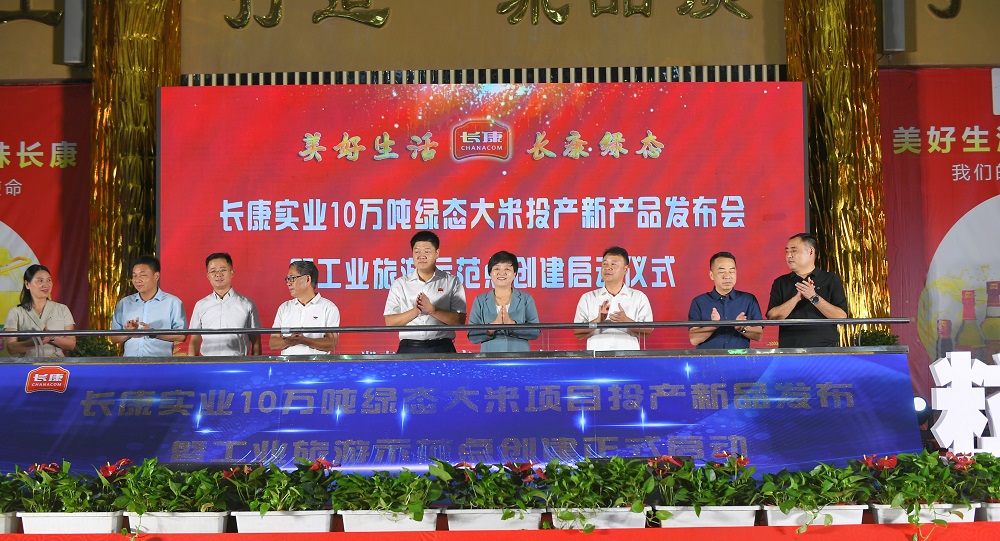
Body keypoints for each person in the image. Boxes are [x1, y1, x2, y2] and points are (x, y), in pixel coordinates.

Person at [384, 231, 467, 354]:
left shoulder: (451, 281)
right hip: (409, 348)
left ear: (437, 253)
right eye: (417, 252)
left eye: (427, 251)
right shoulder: (400, 284)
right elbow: (390, 322)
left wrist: (433, 310)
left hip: (442, 348)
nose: (421, 256)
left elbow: (460, 321)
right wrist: (416, 311)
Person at [766, 233, 849, 348]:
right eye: (787, 251)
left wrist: (813, 297)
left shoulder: (830, 279)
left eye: (794, 251)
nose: (789, 255)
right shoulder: (781, 282)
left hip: (825, 350)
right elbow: (772, 317)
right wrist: (796, 298)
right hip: (789, 350)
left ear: (810, 252)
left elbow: (841, 317)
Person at [574, 246, 653, 351]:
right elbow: (578, 333)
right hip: (597, 358)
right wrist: (598, 321)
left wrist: (626, 322)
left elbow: (647, 332)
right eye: (605, 264)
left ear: (625, 269)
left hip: (628, 357)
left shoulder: (639, 297)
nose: (608, 268)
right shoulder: (588, 298)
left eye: (613, 264)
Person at [110, 255, 187, 356]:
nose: (137, 280)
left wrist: (153, 333)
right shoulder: (125, 303)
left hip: (159, 363)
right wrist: (129, 333)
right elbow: (113, 338)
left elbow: (181, 336)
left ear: (156, 276)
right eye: (134, 276)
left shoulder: (172, 302)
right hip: (130, 362)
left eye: (142, 275)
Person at [188, 253, 262, 356]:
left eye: (223, 270)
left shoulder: (247, 305)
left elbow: (256, 341)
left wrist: (256, 364)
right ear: (208, 276)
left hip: (238, 362)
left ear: (232, 273)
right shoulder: (200, 305)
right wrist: (192, 364)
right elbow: (194, 340)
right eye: (213, 271)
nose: (218, 274)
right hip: (207, 363)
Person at [468, 251, 541, 352]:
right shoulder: (480, 300)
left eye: (507, 269)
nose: (502, 273)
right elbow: (472, 335)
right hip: (490, 357)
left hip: (519, 356)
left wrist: (512, 325)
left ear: (515, 274)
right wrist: (492, 327)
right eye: (497, 268)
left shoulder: (526, 299)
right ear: (490, 273)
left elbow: (535, 331)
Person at [688, 251, 763, 349]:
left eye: (732, 271)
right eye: (721, 272)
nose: (727, 276)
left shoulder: (748, 300)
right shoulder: (699, 302)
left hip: (739, 357)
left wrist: (742, 328)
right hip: (709, 357)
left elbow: (759, 335)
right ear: (711, 275)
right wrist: (713, 325)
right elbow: (694, 339)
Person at [3, 264, 76, 357]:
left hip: (56, 363)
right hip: (27, 364)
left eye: (48, 280)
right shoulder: (16, 312)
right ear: (27, 284)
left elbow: (71, 344)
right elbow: (11, 348)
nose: (46, 285)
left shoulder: (62, 309)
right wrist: (35, 341)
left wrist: (51, 337)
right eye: (40, 280)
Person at [269, 260, 339, 355]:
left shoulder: (328, 308)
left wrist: (303, 340)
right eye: (287, 279)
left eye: (292, 278)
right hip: (288, 363)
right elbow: (273, 343)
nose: (288, 283)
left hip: (316, 363)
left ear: (307, 279)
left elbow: (331, 344)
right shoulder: (284, 308)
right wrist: (289, 341)